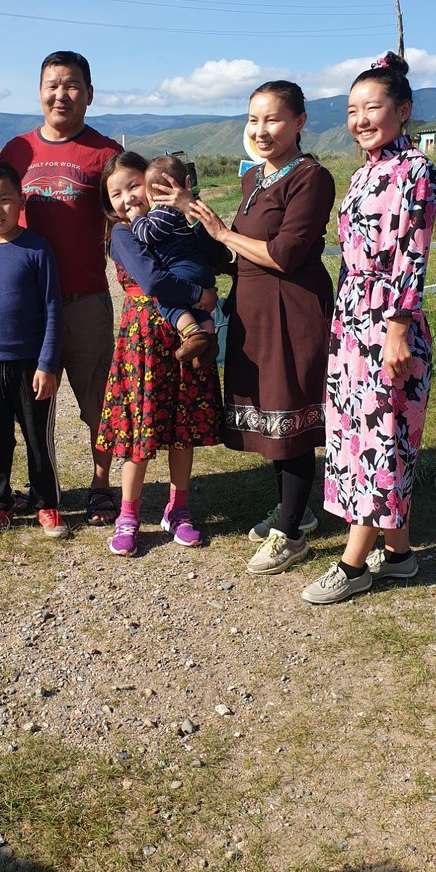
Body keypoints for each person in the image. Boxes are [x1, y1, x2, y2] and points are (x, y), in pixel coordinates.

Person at [168, 81, 335, 576]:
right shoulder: (255, 179)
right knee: (270, 411)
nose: (261, 131)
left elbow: (285, 255)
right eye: (253, 121)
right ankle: (295, 510)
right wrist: (191, 220)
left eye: (273, 120)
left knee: (292, 414)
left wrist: (222, 232)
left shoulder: (310, 178)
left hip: (292, 307)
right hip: (253, 308)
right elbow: (231, 252)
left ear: (300, 122)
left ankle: (290, 532)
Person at [301, 53, 436, 604]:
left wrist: (399, 328)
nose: (360, 119)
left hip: (388, 319)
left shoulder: (416, 170)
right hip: (354, 316)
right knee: (365, 435)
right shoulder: (365, 171)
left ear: (402, 110)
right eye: (353, 109)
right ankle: (399, 555)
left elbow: (411, 254)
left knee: (380, 439)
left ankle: (353, 564)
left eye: (372, 108)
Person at [0, 52, 122, 524]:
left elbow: (131, 218)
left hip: (85, 299)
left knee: (98, 401)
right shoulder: (17, 152)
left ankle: (101, 485)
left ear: (88, 94)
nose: (61, 94)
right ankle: (41, 485)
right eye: (52, 84)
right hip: (26, 306)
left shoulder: (105, 154)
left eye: (72, 86)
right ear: (39, 90)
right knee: (32, 405)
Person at [96, 153, 224, 558]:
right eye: (115, 193)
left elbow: (217, 257)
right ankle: (129, 514)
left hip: (181, 339)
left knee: (181, 426)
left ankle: (178, 509)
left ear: (154, 187)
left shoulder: (169, 226)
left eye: (134, 186)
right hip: (145, 341)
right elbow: (151, 279)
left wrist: (189, 211)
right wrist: (197, 296)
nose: (127, 198)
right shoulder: (121, 233)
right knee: (141, 429)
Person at [0, 163, 67, 540]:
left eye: (5, 200)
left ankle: (47, 503)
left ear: (20, 201)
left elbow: (54, 308)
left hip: (31, 365)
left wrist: (47, 364)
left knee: (39, 438)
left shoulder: (37, 249)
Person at [130, 154, 218, 367]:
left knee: (168, 298)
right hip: (202, 269)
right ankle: (209, 338)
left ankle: (193, 333)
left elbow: (150, 234)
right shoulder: (195, 205)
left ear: (157, 193)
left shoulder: (164, 209)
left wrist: (136, 219)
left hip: (181, 267)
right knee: (197, 306)